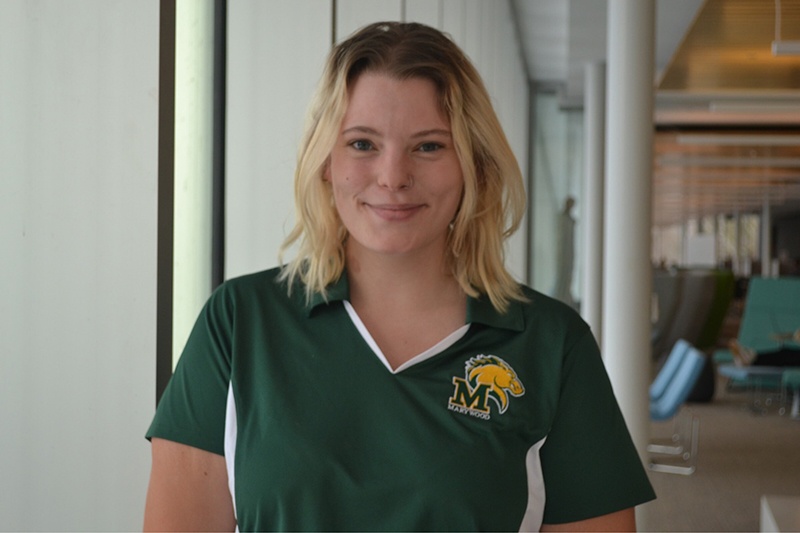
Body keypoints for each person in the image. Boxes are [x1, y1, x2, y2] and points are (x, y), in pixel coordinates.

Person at [143, 21, 655, 532]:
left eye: (428, 146)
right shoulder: (239, 324)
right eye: (363, 144)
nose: (393, 177)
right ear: (326, 160)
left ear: (472, 162)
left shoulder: (551, 344)